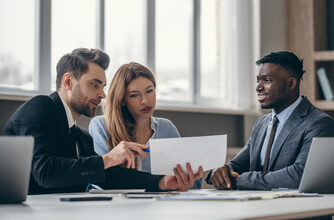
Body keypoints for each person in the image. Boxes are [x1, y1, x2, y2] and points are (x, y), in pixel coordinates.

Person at [3, 48, 202, 194]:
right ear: (68, 81)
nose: (103, 95)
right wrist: (108, 158)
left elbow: (109, 177)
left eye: (103, 86)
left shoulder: (80, 137)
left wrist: (162, 183)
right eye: (95, 85)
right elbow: (45, 171)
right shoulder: (40, 107)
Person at [207, 51, 334, 190]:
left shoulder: (319, 123)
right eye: (258, 81)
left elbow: (300, 175)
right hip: (259, 207)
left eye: (267, 80)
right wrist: (221, 171)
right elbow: (237, 165)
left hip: (295, 209)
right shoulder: (261, 124)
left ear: (291, 83)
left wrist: (239, 181)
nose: (258, 87)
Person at [89, 62, 202, 189]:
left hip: (159, 204)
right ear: (122, 100)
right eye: (134, 95)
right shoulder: (101, 126)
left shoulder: (167, 128)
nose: (145, 101)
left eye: (149, 91)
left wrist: (187, 179)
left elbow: (193, 185)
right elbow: (103, 178)